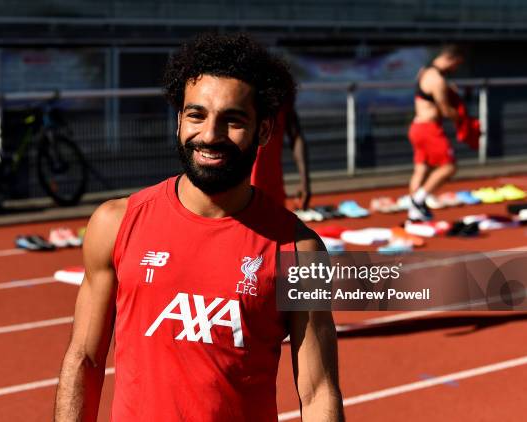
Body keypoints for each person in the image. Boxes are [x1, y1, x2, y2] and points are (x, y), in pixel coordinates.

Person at [54, 33, 344, 422]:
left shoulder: (299, 251)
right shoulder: (115, 222)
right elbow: (85, 359)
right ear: (179, 120)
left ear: (264, 130)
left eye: (233, 120)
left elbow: (318, 392)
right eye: (197, 115)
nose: (209, 135)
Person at [408, 44, 464, 221]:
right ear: (451, 59)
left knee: (421, 170)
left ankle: (414, 213)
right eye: (457, 64)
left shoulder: (424, 71)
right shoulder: (437, 79)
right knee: (449, 166)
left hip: (416, 126)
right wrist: (462, 119)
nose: (456, 68)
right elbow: (445, 109)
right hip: (428, 128)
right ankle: (418, 200)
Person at [250, 88, 311, 209]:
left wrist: (305, 182)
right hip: (238, 189)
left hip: (271, 187)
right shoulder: (238, 87)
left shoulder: (280, 93)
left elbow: (296, 135)